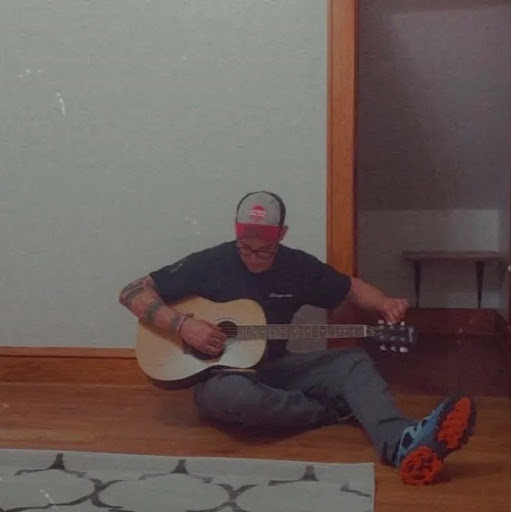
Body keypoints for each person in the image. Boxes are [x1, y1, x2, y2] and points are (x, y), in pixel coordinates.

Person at [118, 190, 476, 485]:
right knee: (236, 397)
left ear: (282, 234)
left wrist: (384, 303)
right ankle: (333, 411)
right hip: (222, 377)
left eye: (264, 249)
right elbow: (132, 291)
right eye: (245, 246)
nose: (253, 255)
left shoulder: (297, 266)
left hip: (278, 367)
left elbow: (350, 288)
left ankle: (401, 442)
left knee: (352, 362)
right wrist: (182, 325)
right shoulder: (210, 262)